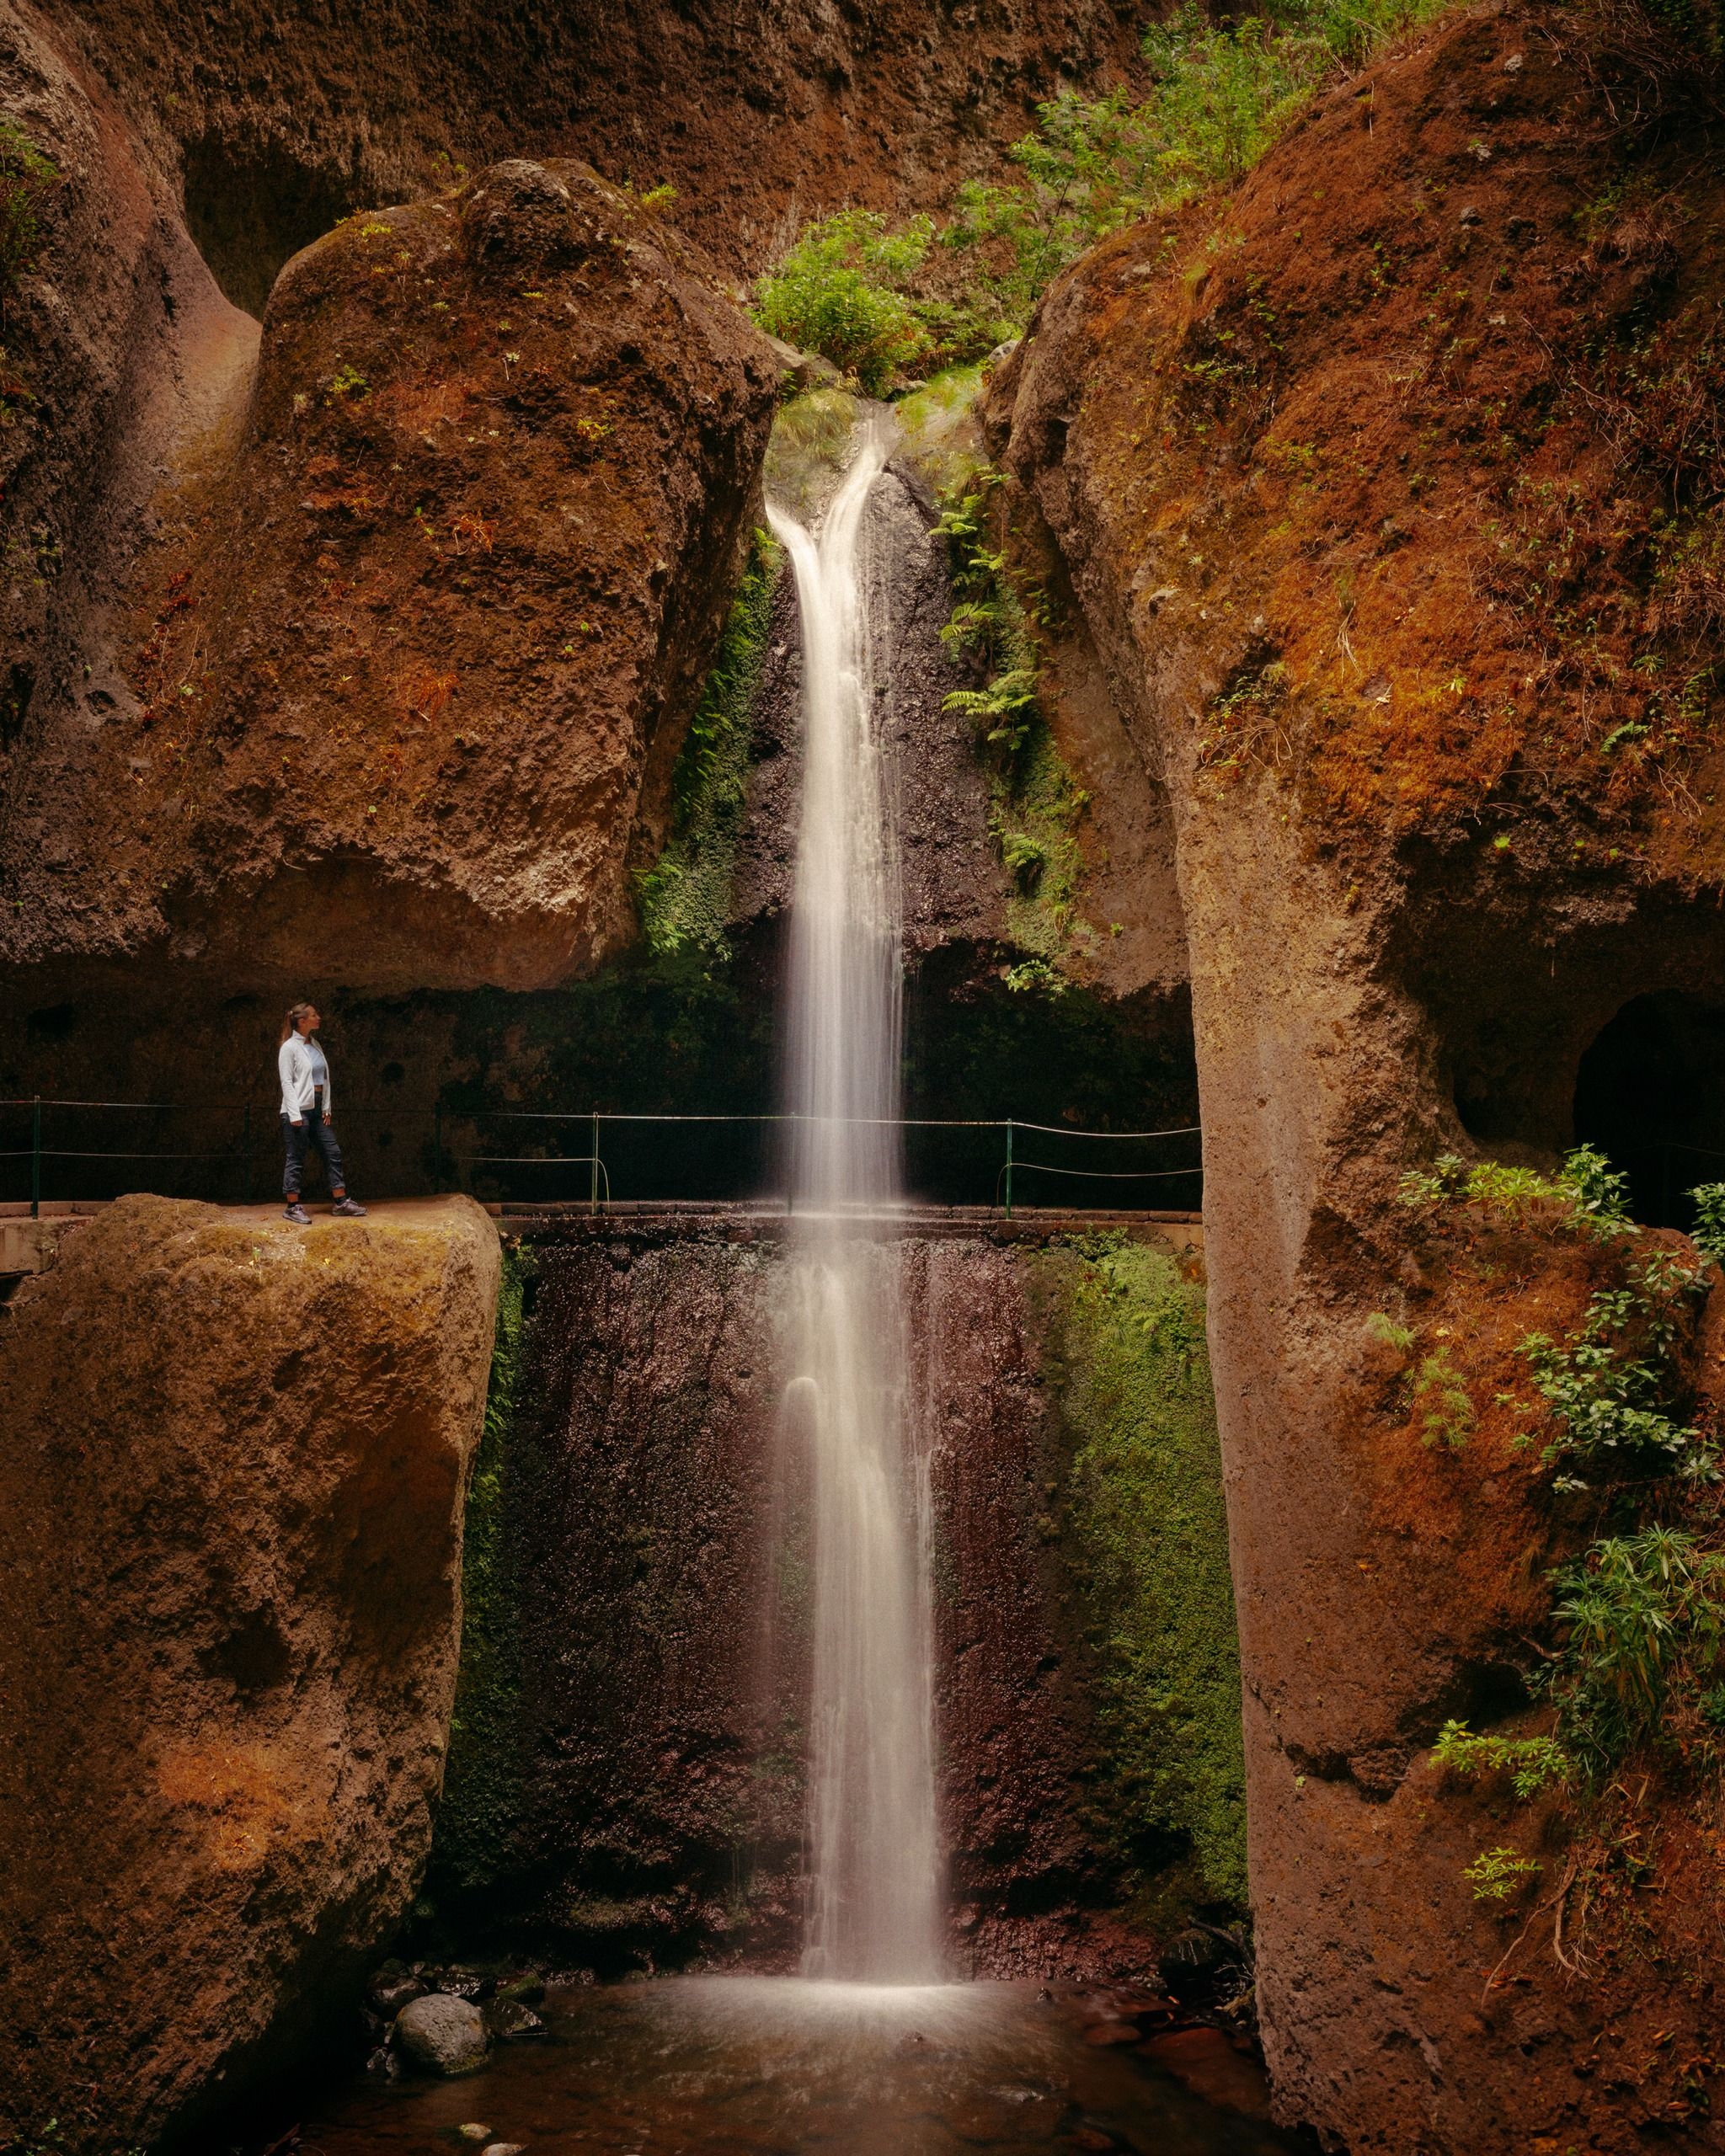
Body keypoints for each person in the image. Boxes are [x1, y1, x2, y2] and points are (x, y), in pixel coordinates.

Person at [278, 1001, 367, 1224]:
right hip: (297, 1109)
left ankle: (340, 1202)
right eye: (315, 1015)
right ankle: (292, 1206)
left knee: (332, 1151)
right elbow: (287, 1082)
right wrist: (294, 1114)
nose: (319, 1018)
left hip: (317, 1109)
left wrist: (326, 1106)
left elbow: (323, 1078)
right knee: (296, 1157)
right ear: (302, 1021)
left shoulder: (315, 1044)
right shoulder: (289, 1048)